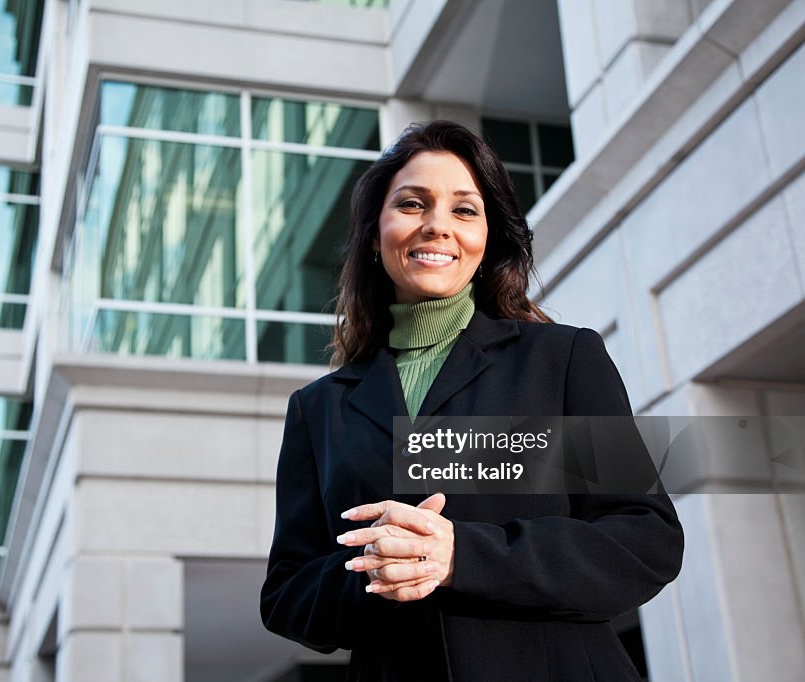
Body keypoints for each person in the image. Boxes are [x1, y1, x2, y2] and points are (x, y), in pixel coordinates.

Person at [259, 120, 684, 681]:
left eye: (464, 210)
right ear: (373, 233)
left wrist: (462, 554)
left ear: (487, 241)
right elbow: (287, 594)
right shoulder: (319, 410)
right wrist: (382, 567)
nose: (438, 227)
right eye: (412, 204)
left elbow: (643, 540)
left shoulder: (562, 359)